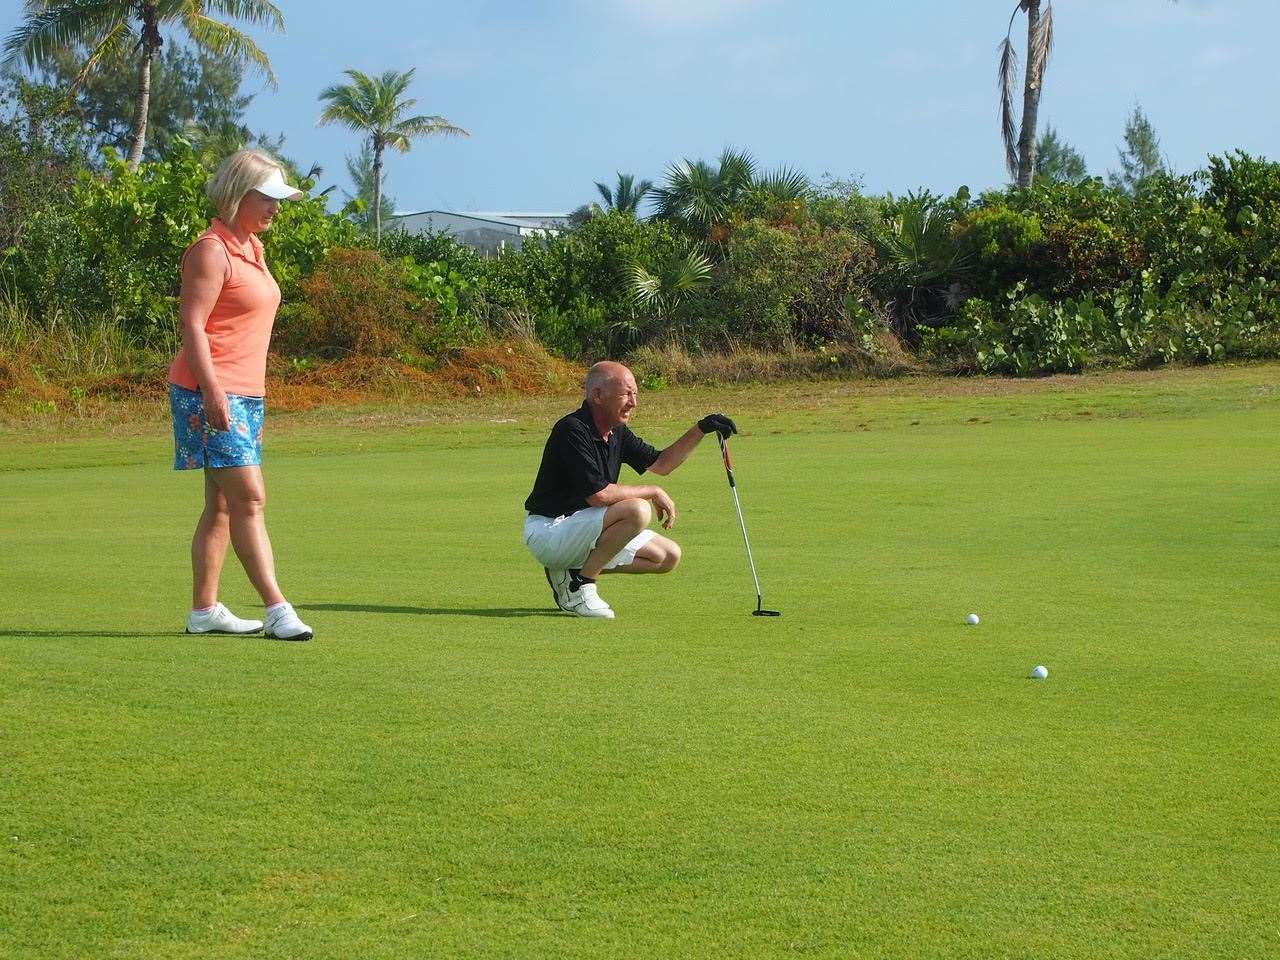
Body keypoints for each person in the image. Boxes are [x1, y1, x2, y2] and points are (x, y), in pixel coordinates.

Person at [167, 150, 313, 641]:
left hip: (245, 392)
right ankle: (277, 608)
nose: (276, 207)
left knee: (224, 504)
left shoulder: (251, 248)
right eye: (267, 198)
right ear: (237, 195)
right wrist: (213, 391)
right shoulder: (210, 250)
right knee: (250, 497)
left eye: (278, 199)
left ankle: (204, 611)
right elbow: (192, 324)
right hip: (211, 390)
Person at [523, 360, 737, 619]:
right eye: (626, 393)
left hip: (583, 530)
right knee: (637, 509)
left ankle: (572, 570)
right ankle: (580, 586)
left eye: (635, 393)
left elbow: (662, 463)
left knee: (667, 556)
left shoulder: (617, 432)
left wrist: (702, 428)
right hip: (551, 531)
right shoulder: (571, 429)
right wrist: (652, 491)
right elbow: (599, 495)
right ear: (598, 395)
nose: (633, 402)